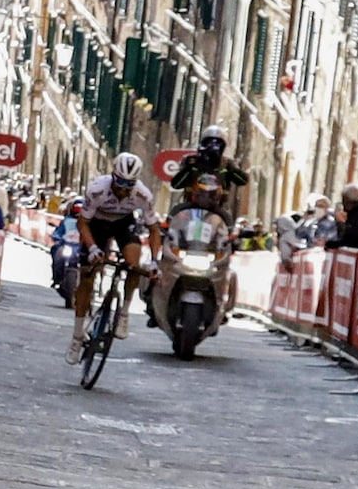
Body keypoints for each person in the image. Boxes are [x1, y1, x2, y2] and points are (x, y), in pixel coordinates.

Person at [70, 153, 155, 362]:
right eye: (120, 183)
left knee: (135, 265)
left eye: (129, 185)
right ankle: (77, 335)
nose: (124, 190)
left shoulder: (143, 195)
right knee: (87, 278)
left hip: (123, 223)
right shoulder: (97, 189)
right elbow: (83, 223)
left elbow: (154, 230)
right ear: (113, 176)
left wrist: (154, 260)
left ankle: (124, 312)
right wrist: (92, 249)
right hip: (96, 224)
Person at [151, 172, 236, 335]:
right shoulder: (180, 209)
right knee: (153, 270)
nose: (206, 198)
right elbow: (168, 226)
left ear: (217, 195)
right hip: (184, 251)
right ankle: (151, 303)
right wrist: (165, 231)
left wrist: (232, 240)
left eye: (210, 194)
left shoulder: (223, 216)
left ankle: (223, 308)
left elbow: (229, 235)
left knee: (230, 276)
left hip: (208, 255)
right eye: (202, 193)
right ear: (195, 192)